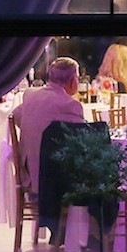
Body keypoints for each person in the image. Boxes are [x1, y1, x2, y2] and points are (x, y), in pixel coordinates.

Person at [13, 57, 87, 198]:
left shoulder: (30, 95)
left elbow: (15, 116)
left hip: (28, 175)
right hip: (52, 182)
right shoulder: (70, 105)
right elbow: (83, 140)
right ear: (73, 80)